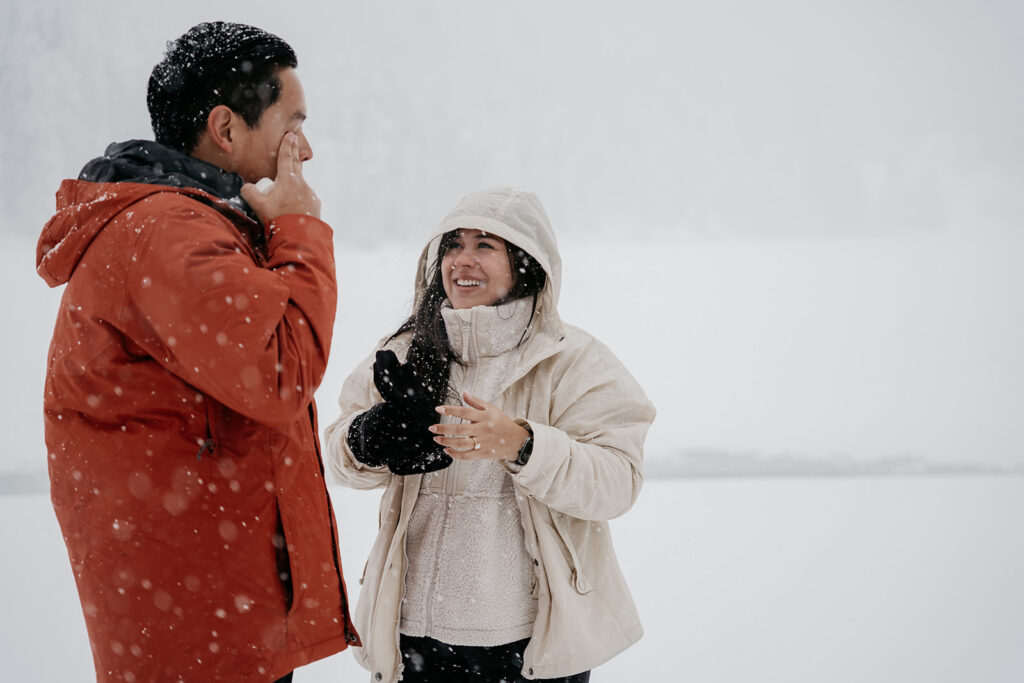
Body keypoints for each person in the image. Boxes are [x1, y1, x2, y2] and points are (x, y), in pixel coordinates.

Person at [36, 22, 359, 682]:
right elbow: (280, 371)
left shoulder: (189, 225)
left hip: (203, 618)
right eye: (291, 125)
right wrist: (299, 226)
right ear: (226, 128)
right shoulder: (167, 232)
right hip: (203, 633)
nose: (308, 150)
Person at [325, 187, 656, 682]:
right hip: (410, 636)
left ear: (526, 262)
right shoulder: (406, 351)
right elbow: (333, 454)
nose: (463, 260)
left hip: (530, 644)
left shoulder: (574, 360)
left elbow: (618, 481)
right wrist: (370, 436)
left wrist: (524, 445)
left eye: (485, 245)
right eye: (453, 244)